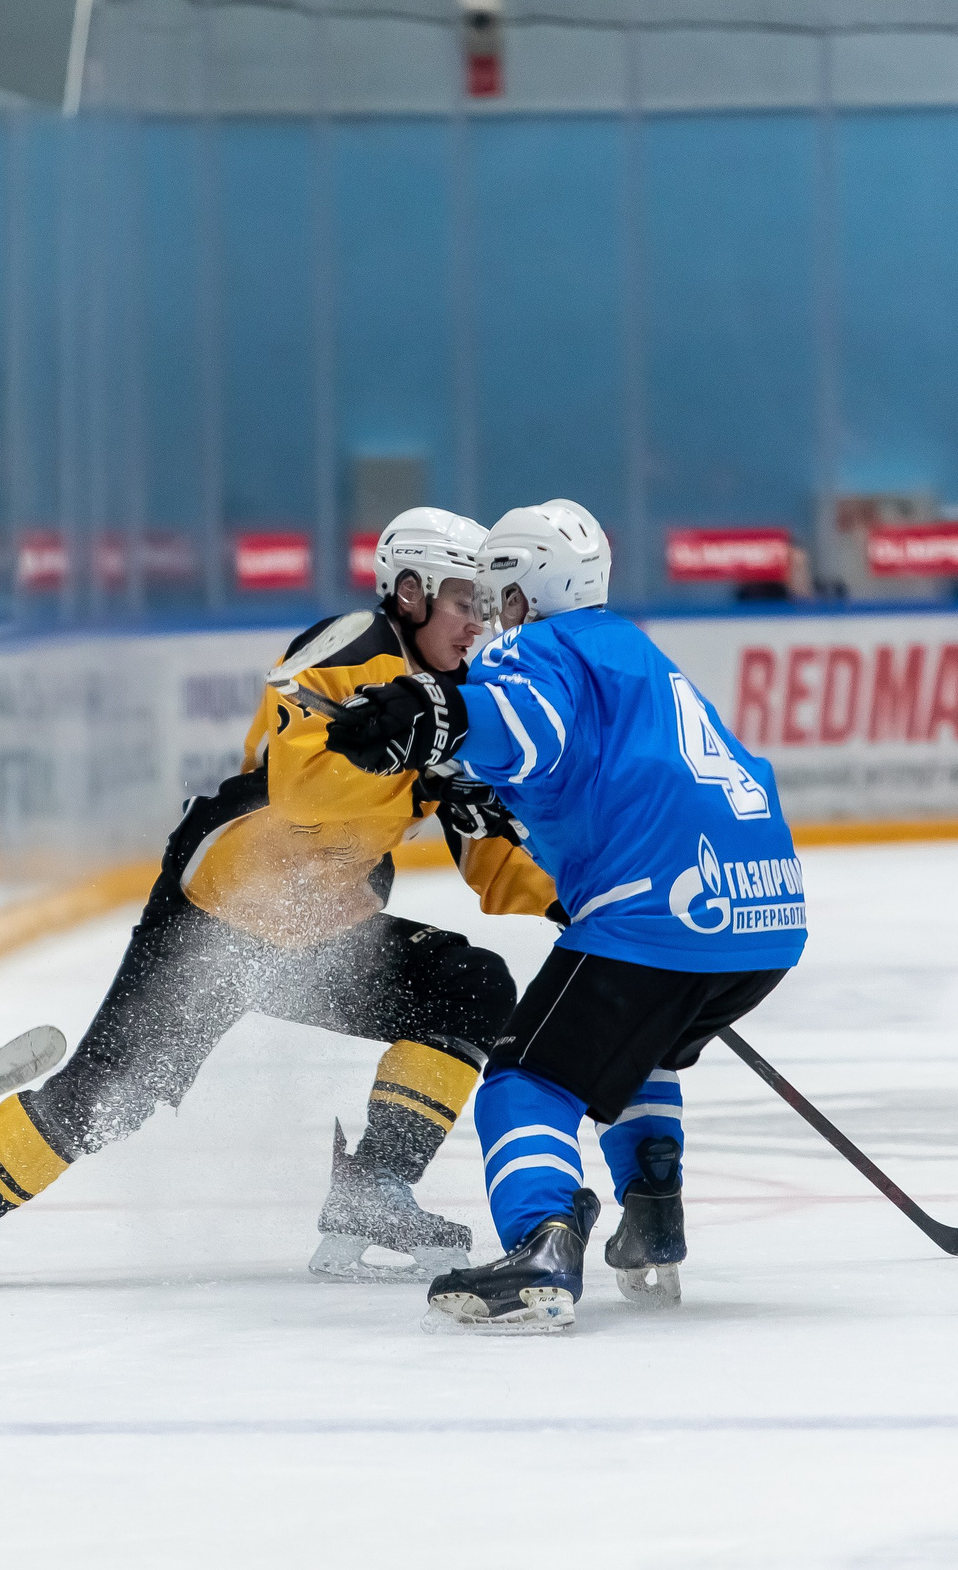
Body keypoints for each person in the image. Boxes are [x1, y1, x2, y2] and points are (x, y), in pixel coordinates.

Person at [0, 508, 563, 1293]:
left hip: (320, 932)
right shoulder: (348, 649)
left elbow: (495, 860)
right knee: (103, 1100)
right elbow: (297, 787)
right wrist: (415, 760)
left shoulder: (458, 703)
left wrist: (580, 903)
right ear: (410, 590)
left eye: (486, 606)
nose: (478, 625)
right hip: (213, 919)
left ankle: (372, 1190)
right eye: (465, 601)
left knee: (475, 985)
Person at [325, 499, 807, 1332]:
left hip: (659, 910)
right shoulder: (632, 651)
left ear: (524, 588)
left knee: (524, 1080)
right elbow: (589, 770)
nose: (485, 614)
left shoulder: (540, 647)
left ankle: (542, 1243)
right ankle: (653, 1209)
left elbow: (526, 726)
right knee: (636, 1053)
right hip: (764, 909)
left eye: (493, 594)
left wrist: (430, 713)